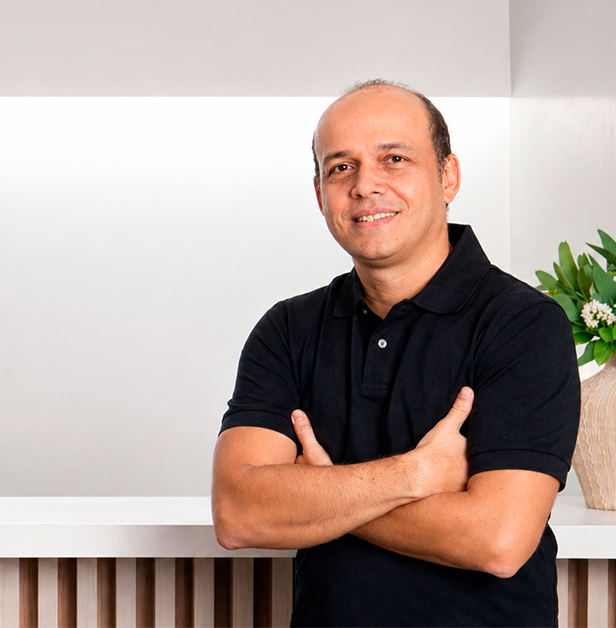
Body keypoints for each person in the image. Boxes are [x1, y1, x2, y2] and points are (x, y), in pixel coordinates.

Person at [211, 81, 580, 626]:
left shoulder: (524, 324)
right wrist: (414, 474)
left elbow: (498, 539)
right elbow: (238, 513)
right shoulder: (287, 329)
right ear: (320, 195)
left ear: (448, 176)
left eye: (395, 159)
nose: (365, 185)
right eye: (341, 167)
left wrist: (320, 492)